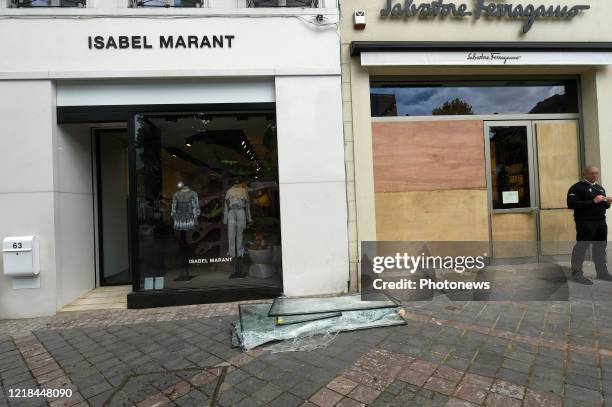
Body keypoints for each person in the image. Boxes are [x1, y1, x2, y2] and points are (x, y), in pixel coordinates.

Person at [567, 166, 612, 284]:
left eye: (596, 173)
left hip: (601, 222)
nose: (595, 175)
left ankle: (602, 273)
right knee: (582, 247)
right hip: (585, 222)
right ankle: (577, 274)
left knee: (600, 248)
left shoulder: (600, 188)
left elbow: (604, 206)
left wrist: (607, 203)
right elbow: (571, 204)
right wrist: (593, 201)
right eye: (592, 173)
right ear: (585, 174)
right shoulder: (577, 188)